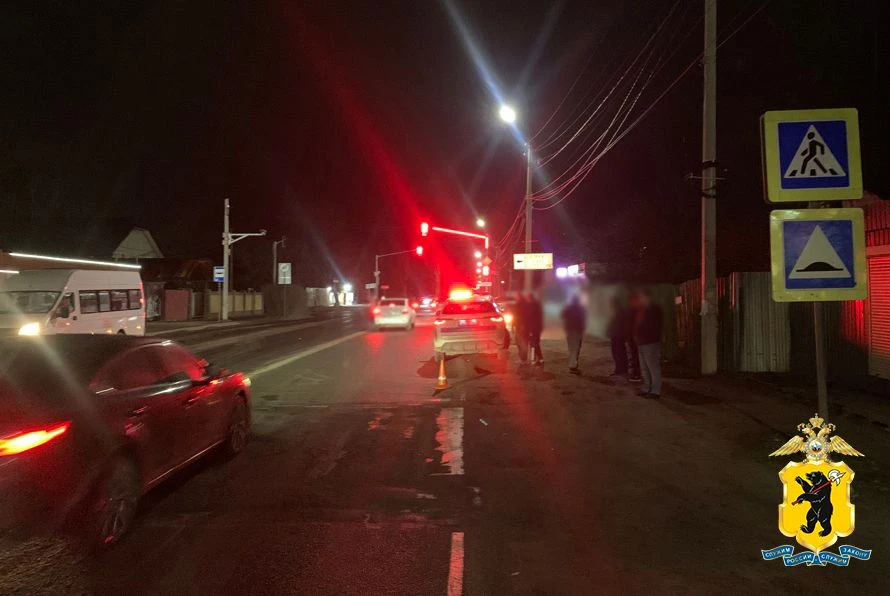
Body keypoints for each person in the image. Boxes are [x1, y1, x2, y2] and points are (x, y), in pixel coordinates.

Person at [633, 288, 663, 398]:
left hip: (650, 342)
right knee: (644, 367)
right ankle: (646, 388)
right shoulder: (642, 309)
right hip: (642, 342)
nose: (640, 299)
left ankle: (655, 391)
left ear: (647, 297)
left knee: (652, 367)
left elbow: (655, 326)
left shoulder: (654, 309)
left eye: (641, 297)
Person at [561, 294, 586, 374]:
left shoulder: (568, 307)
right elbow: (583, 319)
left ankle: (572, 364)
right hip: (577, 330)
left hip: (569, 330)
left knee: (571, 348)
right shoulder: (581, 308)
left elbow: (563, 315)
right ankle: (573, 365)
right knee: (576, 348)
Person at [606, 296, 629, 376]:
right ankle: (622, 368)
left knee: (617, 352)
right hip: (618, 335)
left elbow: (615, 325)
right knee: (619, 352)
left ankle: (620, 369)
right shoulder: (619, 312)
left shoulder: (617, 312)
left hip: (617, 336)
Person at [527, 292, 544, 365]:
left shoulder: (532, 307)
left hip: (534, 329)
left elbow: (531, 319)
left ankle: (537, 358)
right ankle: (538, 358)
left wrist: (530, 329)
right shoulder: (537, 305)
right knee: (535, 343)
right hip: (537, 328)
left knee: (534, 343)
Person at [513, 292, 529, 365]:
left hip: (522, 327)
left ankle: (524, 359)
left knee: (523, 343)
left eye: (516, 296)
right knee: (518, 342)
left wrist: (523, 325)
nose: (515, 297)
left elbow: (523, 316)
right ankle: (522, 358)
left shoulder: (522, 305)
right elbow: (515, 315)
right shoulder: (517, 304)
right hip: (518, 326)